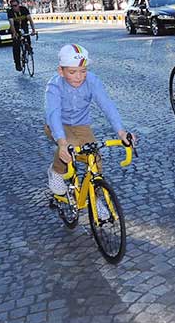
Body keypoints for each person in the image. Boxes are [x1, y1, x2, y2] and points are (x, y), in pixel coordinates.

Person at [44, 44, 135, 218]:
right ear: (61, 71)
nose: (79, 77)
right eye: (72, 72)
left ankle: (96, 198)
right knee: (69, 146)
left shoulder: (92, 80)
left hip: (81, 126)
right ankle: (55, 171)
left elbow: (107, 105)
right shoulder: (54, 86)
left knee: (96, 161)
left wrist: (122, 132)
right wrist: (62, 143)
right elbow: (53, 115)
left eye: (83, 71)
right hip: (57, 125)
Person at [7, 0, 37, 72]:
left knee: (27, 37)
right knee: (16, 45)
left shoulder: (24, 9)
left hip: (24, 26)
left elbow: (30, 20)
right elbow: (11, 24)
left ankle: (28, 48)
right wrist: (14, 33)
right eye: (12, 6)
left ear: (18, 5)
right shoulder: (10, 12)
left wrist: (33, 30)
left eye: (15, 5)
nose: (14, 7)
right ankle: (17, 63)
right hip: (15, 28)